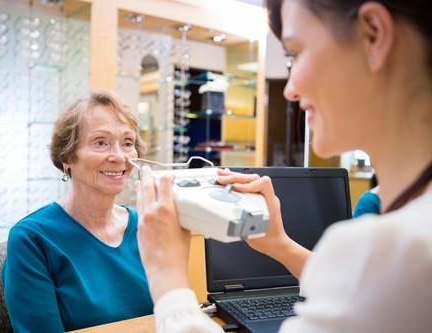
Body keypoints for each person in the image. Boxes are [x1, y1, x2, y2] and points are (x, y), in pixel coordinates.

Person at [135, 1, 432, 332]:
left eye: (294, 54)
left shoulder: (395, 252)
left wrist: (169, 282)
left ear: (373, 35)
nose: (290, 90)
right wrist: (279, 245)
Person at [2, 90, 153, 332]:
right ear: (67, 157)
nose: (119, 156)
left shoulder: (147, 226)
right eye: (101, 142)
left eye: (127, 143)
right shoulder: (32, 239)